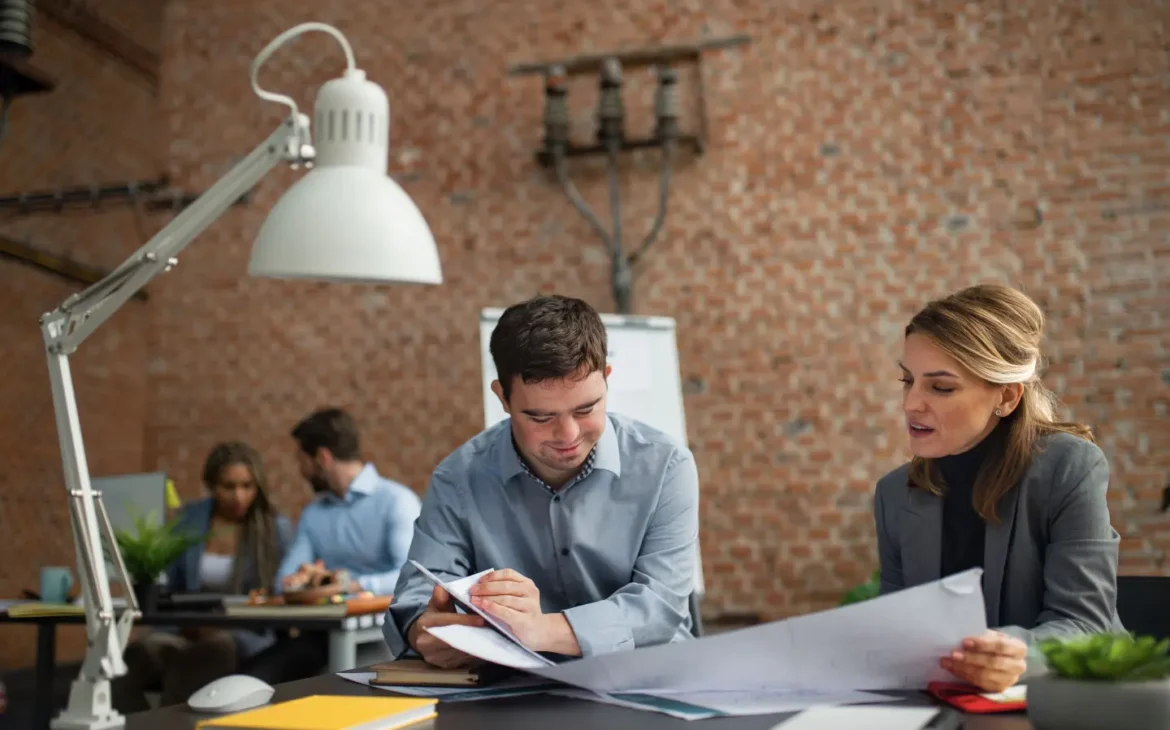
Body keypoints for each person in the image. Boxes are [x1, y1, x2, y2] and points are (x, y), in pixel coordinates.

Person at [383, 294, 700, 667]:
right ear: (502, 397)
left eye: (586, 409)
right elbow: (419, 593)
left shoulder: (665, 465)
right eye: (539, 417)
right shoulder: (458, 478)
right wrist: (425, 629)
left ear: (607, 380)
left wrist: (543, 630)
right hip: (512, 693)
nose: (567, 435)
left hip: (651, 680)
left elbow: (659, 608)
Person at [874, 283, 1123, 693]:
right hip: (943, 705)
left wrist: (1017, 655)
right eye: (907, 380)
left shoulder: (1068, 467)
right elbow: (896, 628)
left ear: (1006, 397)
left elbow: (1086, 624)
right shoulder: (894, 494)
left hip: (1065, 700)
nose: (910, 404)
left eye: (940, 387)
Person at [241, 407, 421, 682]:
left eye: (302, 461)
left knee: (342, 685)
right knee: (250, 681)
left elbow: (411, 577)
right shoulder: (314, 512)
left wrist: (348, 585)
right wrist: (302, 580)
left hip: (385, 636)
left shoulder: (396, 502)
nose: (301, 471)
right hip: (321, 637)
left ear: (322, 458)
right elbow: (283, 582)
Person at [113, 441, 293, 711]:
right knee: (133, 658)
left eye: (247, 486)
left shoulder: (274, 530)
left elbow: (279, 595)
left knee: (205, 655)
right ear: (211, 485)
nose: (239, 497)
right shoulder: (189, 521)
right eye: (228, 487)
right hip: (184, 628)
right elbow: (169, 585)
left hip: (242, 634)